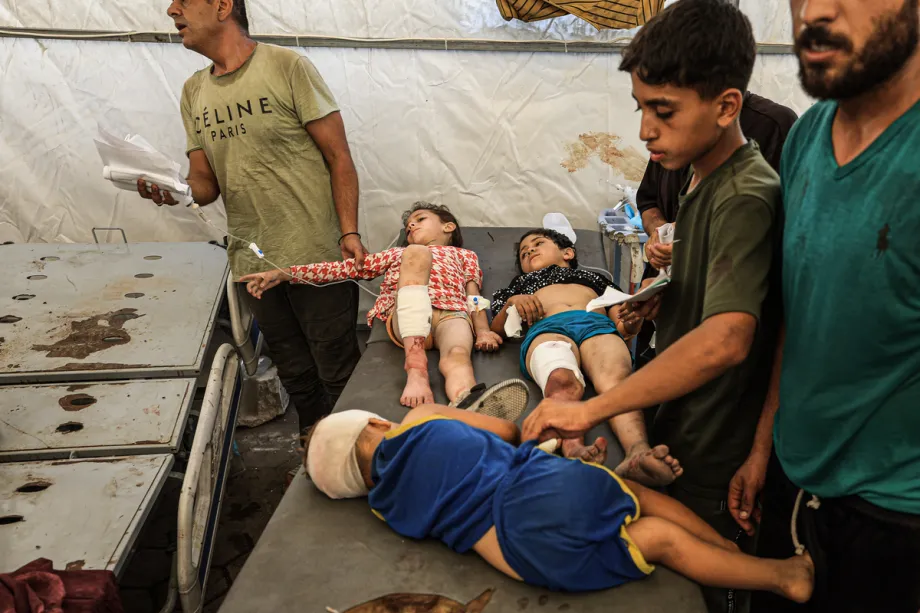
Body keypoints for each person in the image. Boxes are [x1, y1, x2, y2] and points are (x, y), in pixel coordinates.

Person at [521, 2, 783, 611]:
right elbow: (715, 294)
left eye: (663, 111)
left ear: (726, 106)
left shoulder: (745, 194)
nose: (644, 131)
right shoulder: (698, 179)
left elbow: (729, 339)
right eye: (640, 108)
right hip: (683, 421)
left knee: (709, 576)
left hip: (718, 441)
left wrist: (593, 410)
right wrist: (659, 302)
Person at [749, 1, 920, 612]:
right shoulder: (807, 136)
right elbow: (802, 316)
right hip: (794, 486)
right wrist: (765, 446)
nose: (814, 11)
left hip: (895, 520)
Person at [301, 407, 815, 602]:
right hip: (535, 485)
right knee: (640, 499)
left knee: (655, 542)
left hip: (514, 550)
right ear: (376, 423)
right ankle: (732, 549)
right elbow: (506, 431)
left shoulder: (384, 508)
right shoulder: (418, 421)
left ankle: (780, 578)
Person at [139, 0, 365, 434]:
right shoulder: (193, 91)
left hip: (316, 253)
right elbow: (205, 183)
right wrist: (174, 189)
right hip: (252, 260)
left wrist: (349, 232)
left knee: (338, 369)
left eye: (184, 1)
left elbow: (339, 156)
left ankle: (360, 454)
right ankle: (313, 450)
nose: (171, 10)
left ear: (223, 6)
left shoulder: (286, 67)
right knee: (294, 371)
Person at [241, 203, 519, 415]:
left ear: (448, 227)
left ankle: (467, 400)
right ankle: (416, 370)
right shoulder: (399, 252)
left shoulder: (465, 255)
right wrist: (285, 273)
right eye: (408, 226)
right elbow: (341, 269)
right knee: (416, 254)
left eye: (420, 219)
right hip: (408, 320)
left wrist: (483, 330)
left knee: (458, 355)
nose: (411, 227)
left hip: (451, 314)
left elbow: (473, 295)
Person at [488, 228, 683, 486]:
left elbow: (623, 327)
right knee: (561, 380)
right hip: (548, 329)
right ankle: (573, 448)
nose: (530, 251)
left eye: (538, 244)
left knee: (617, 381)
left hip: (597, 327)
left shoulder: (595, 278)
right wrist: (514, 302)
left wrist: (634, 318)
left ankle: (638, 452)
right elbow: (498, 329)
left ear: (568, 253)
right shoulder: (519, 285)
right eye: (524, 253)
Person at [638, 91, 798, 272]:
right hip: (666, 281)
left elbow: (781, 224)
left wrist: (694, 241)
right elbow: (648, 201)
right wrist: (659, 233)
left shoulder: (776, 126)